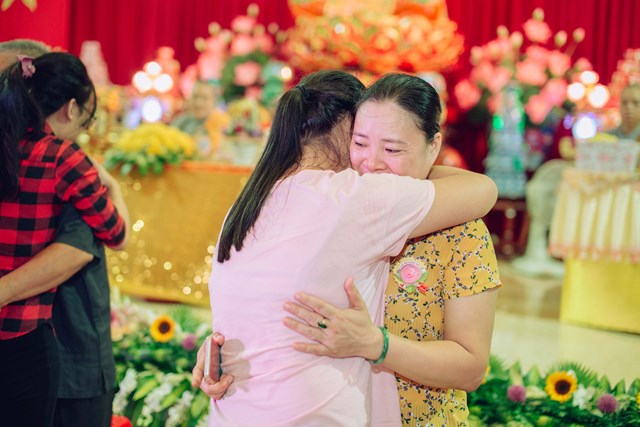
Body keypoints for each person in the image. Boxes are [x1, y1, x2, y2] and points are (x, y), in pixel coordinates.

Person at [194, 73, 501, 426]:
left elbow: (471, 366)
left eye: (392, 149)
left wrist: (377, 345)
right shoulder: (349, 200)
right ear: (344, 135)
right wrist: (235, 344)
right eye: (360, 142)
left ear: (434, 145)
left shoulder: (460, 229)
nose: (371, 162)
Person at [0, 51, 128, 427]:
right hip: (24, 333)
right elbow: (116, 233)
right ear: (71, 108)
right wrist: (114, 187)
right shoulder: (62, 158)